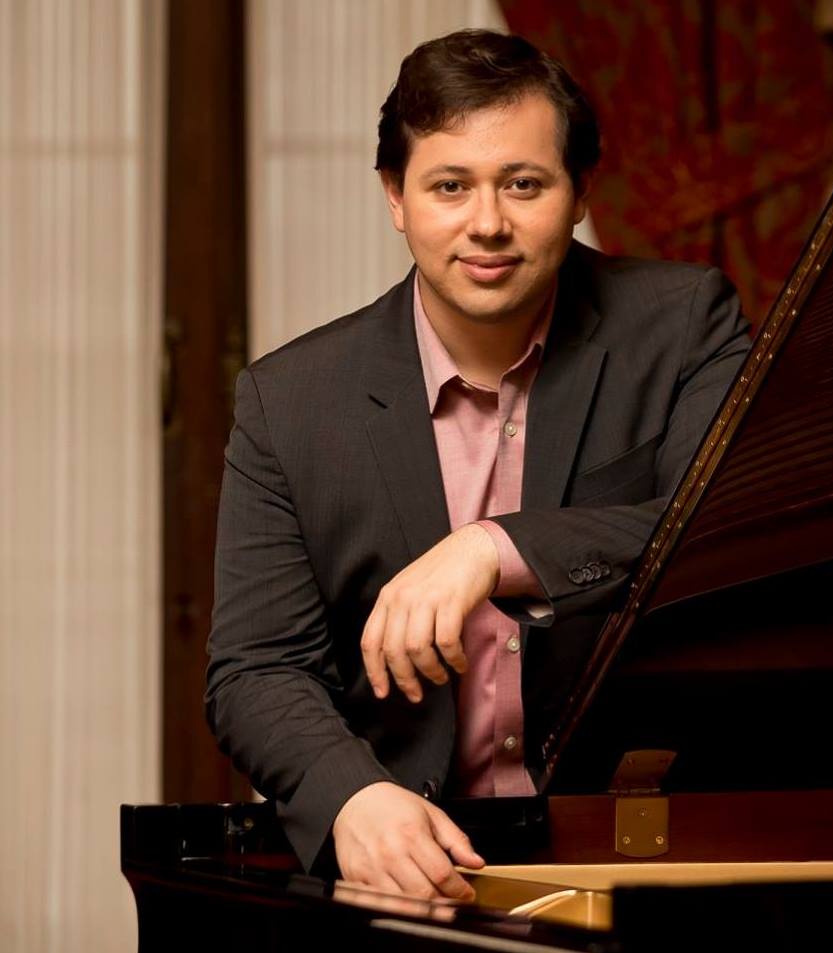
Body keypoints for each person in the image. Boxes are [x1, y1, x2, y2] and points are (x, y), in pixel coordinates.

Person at [206, 29, 749, 902]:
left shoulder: (683, 325)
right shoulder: (290, 400)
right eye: (449, 185)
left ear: (579, 192)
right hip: (409, 866)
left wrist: (494, 548)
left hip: (637, 850)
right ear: (395, 195)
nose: (486, 222)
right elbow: (255, 667)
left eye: (523, 184)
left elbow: (727, 532)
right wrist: (351, 796)